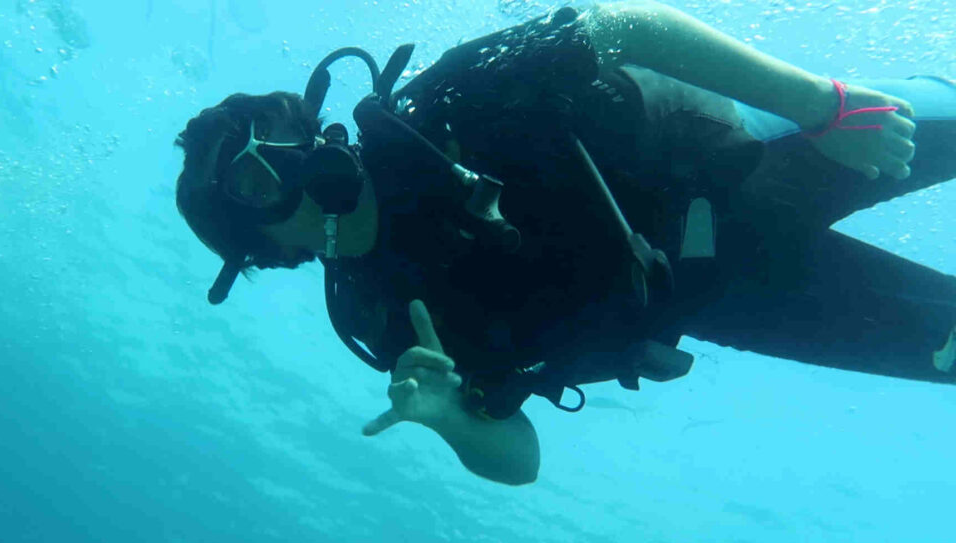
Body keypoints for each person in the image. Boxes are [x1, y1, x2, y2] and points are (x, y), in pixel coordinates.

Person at [173, 2, 956, 485]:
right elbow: (520, 461)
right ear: (262, 245)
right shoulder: (383, 320)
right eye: (253, 181)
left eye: (277, 136)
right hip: (720, 292)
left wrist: (823, 104)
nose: (288, 164)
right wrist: (451, 418)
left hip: (746, 155)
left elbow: (622, 26)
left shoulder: (440, 107)